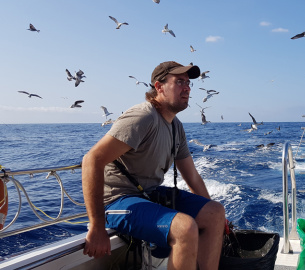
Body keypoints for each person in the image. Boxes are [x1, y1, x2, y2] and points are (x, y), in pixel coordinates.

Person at [81, 61, 225, 269]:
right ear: (159, 87)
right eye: (179, 82)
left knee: (215, 213)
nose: (187, 88)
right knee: (185, 228)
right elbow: (92, 160)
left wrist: (218, 220)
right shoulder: (143, 117)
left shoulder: (176, 126)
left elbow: (192, 176)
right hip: (116, 201)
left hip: (148, 194)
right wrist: (96, 226)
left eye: (188, 82)